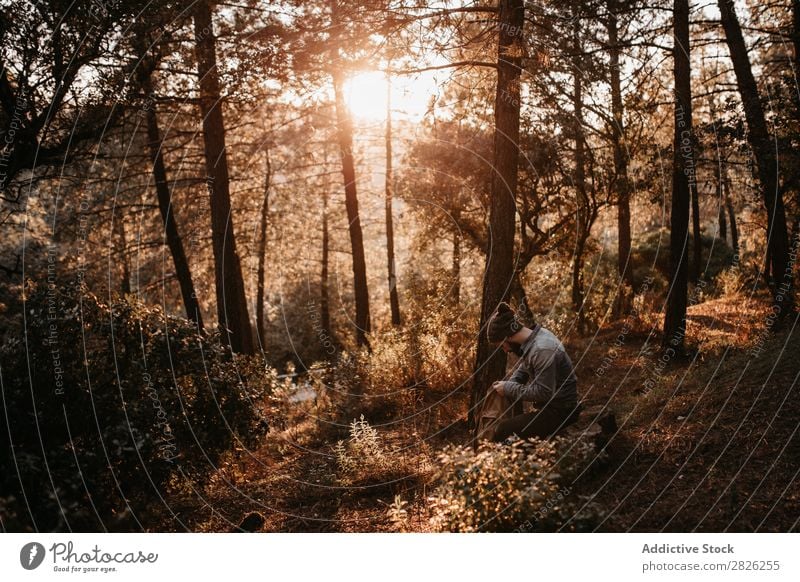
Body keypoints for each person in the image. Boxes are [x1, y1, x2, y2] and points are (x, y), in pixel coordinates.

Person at [486, 302, 581, 441]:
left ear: (508, 337)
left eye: (502, 345)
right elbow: (523, 369)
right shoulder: (535, 337)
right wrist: (510, 384)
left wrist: (507, 388)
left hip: (561, 410)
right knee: (511, 404)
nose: (505, 350)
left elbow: (543, 392)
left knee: (503, 430)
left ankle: (517, 459)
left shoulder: (542, 349)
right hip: (551, 406)